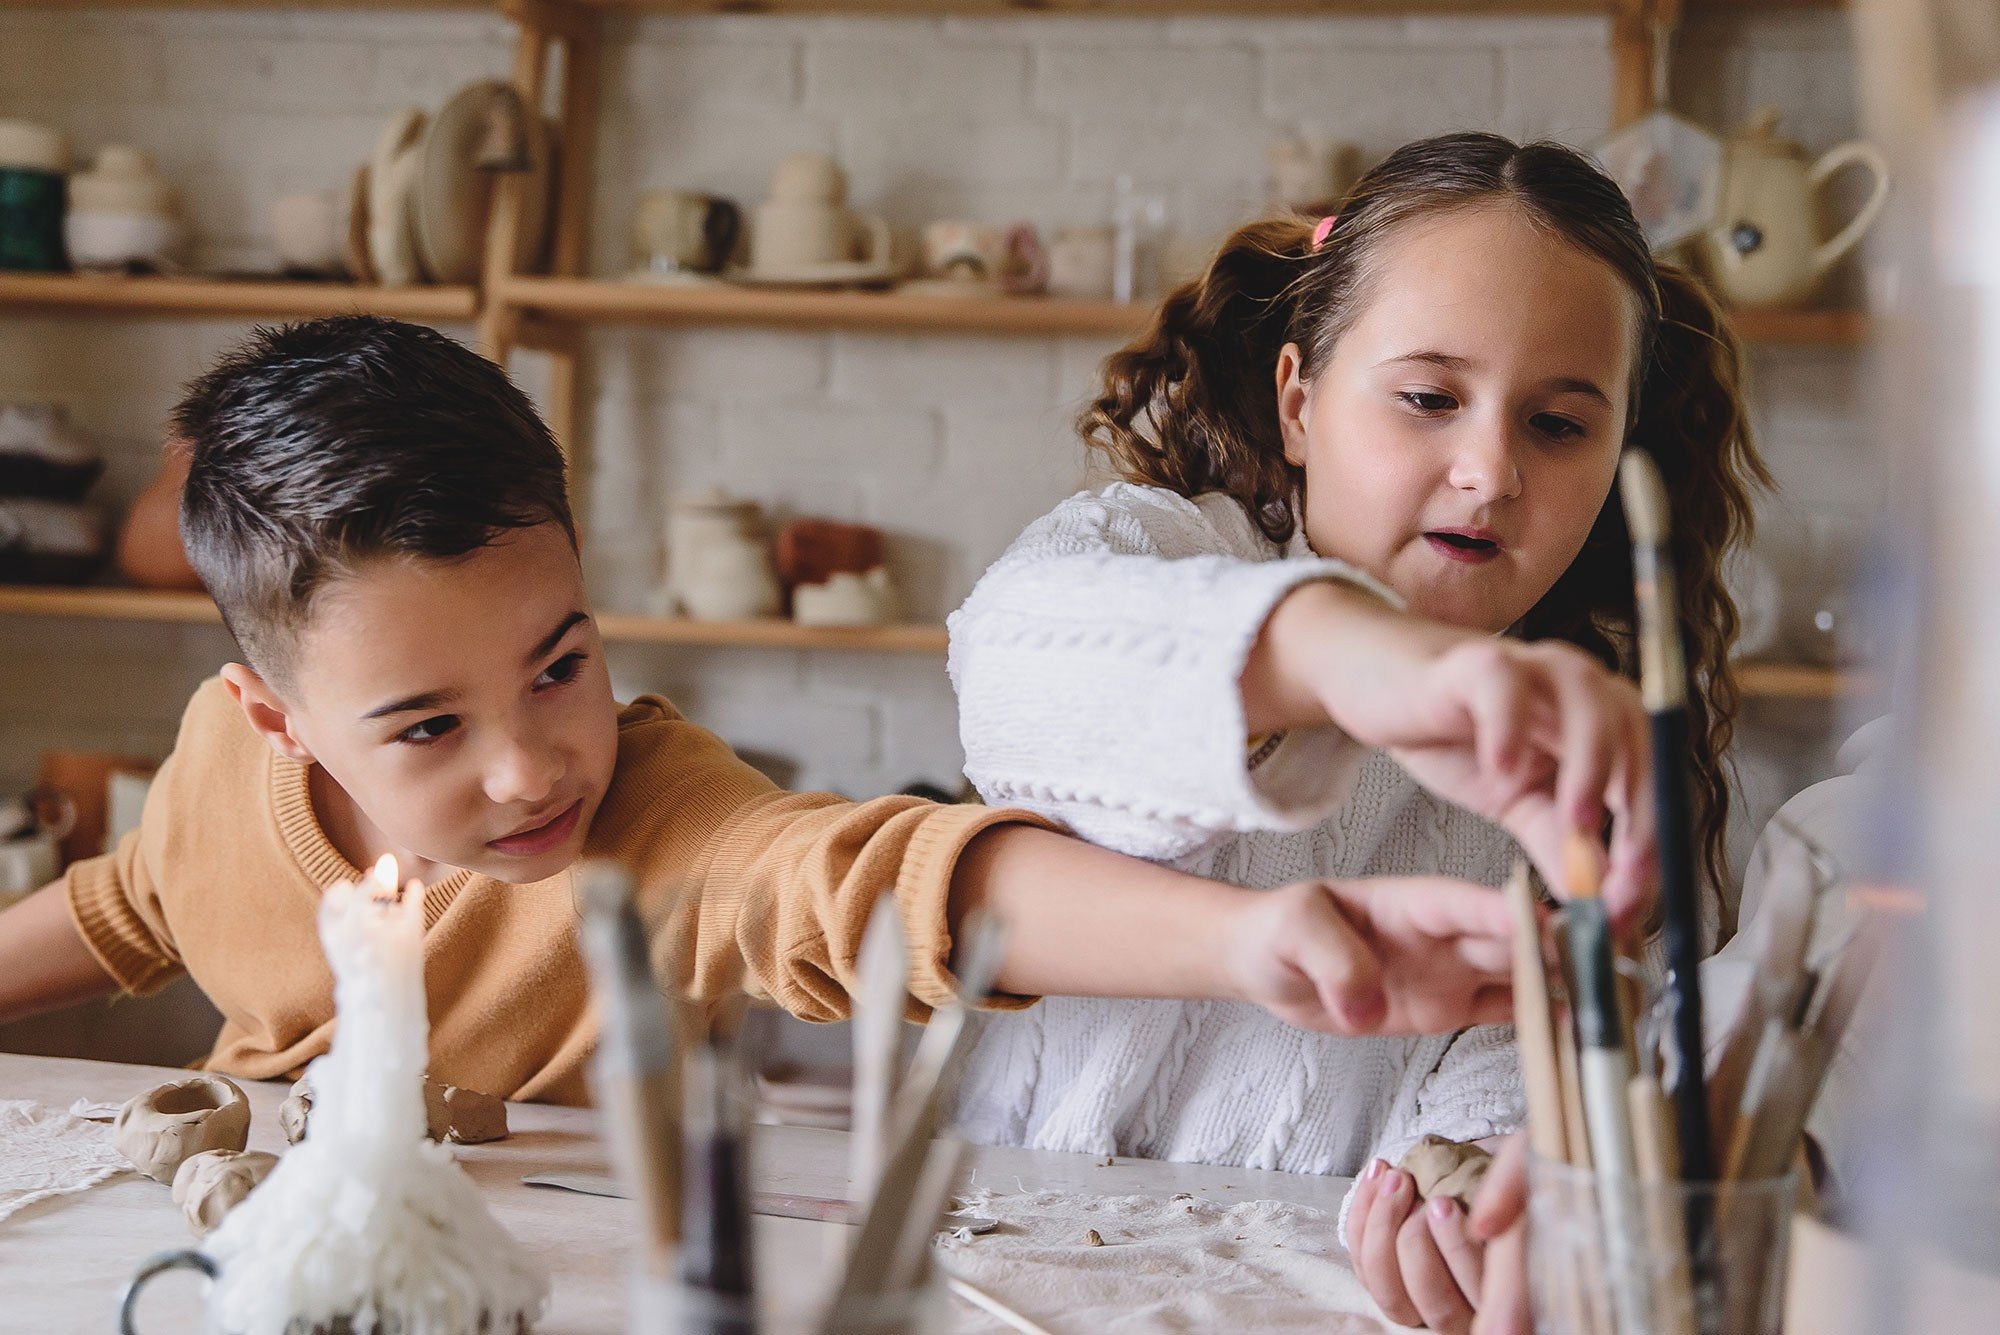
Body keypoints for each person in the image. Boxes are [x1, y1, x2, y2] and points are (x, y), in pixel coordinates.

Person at [0, 314, 1624, 1111]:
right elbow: (134, 904)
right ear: (271, 721)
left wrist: (1249, 946)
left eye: (561, 661)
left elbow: (908, 882)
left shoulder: (661, 822)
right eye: (426, 727)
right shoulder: (221, 767)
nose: (530, 762)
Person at [947, 132, 1766, 1333]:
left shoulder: (1560, 769)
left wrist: (1483, 1185)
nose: (1487, 471)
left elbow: (1507, 1067)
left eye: (1556, 425)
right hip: (980, 1279)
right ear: (1297, 401)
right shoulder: (1159, 556)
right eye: (1429, 399)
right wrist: (1362, 663)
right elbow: (1017, 674)